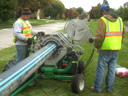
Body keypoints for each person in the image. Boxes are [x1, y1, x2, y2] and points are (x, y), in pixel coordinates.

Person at [91, 4, 125, 93]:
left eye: (101, 12)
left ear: (104, 11)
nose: (102, 14)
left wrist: (97, 46)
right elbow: (123, 34)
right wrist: (117, 44)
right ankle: (109, 88)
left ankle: (97, 88)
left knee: (101, 68)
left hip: (105, 48)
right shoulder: (120, 20)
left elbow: (100, 36)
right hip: (115, 49)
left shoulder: (103, 20)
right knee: (112, 69)